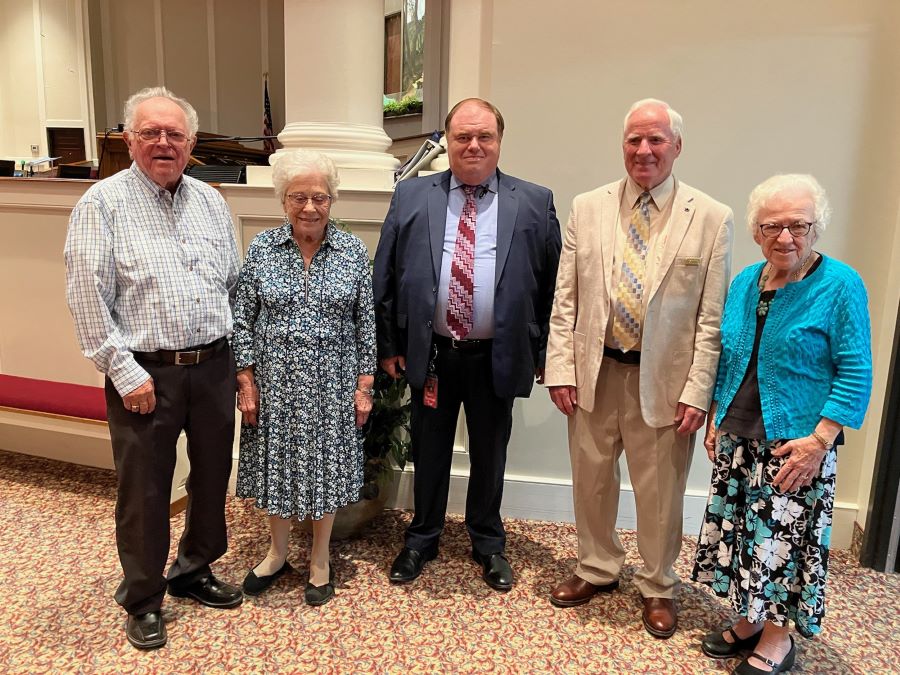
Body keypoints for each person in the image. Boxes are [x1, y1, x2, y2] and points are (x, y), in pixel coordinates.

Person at [543, 98, 733, 637]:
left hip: (666, 385)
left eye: (655, 140)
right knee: (592, 482)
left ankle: (658, 585)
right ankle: (597, 567)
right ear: (622, 145)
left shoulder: (712, 217)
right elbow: (566, 299)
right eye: (633, 140)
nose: (643, 151)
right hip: (595, 372)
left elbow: (710, 320)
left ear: (677, 147)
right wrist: (561, 368)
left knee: (659, 493)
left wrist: (698, 391)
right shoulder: (588, 207)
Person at [65, 86, 243, 650]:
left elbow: (232, 284)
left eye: (175, 135)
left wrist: (237, 363)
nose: (164, 144)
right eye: (151, 133)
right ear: (128, 140)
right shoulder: (102, 204)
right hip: (145, 373)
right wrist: (124, 371)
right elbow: (86, 296)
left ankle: (193, 568)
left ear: (191, 144)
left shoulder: (212, 202)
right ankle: (143, 597)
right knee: (144, 490)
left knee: (213, 475)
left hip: (213, 365)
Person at [373, 97, 561, 590]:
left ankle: (487, 541)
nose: (474, 146)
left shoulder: (535, 202)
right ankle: (422, 537)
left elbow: (551, 287)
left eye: (485, 137)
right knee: (428, 449)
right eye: (463, 137)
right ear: (448, 142)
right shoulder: (410, 196)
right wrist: (388, 344)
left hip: (495, 355)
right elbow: (386, 276)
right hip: (433, 352)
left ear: (500, 141)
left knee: (490, 452)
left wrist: (544, 354)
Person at [693, 174, 872, 674]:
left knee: (783, 542)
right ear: (756, 231)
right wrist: (715, 419)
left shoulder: (840, 285)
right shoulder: (747, 280)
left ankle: (777, 639)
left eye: (799, 224)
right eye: (773, 225)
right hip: (738, 431)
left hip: (797, 441)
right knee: (743, 533)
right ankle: (749, 621)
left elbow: (856, 370)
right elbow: (730, 356)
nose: (786, 237)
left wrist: (820, 441)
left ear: (817, 227)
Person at [233, 149, 376, 607]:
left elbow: (365, 324)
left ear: (332, 200)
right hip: (274, 384)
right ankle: (276, 554)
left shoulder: (351, 251)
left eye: (319, 197)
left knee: (326, 471)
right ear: (282, 200)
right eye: (299, 196)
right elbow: (242, 320)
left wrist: (364, 387)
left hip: (333, 384)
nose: (310, 207)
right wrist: (246, 381)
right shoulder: (262, 248)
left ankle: (319, 558)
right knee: (277, 468)